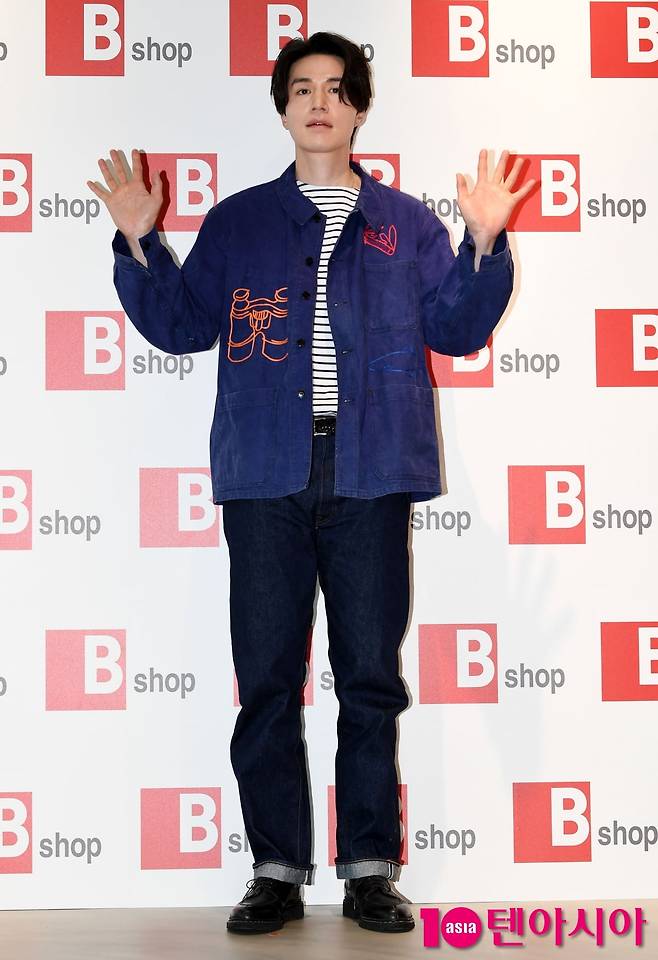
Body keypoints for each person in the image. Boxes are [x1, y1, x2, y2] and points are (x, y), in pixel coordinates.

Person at [87, 30, 534, 937]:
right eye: (302, 89)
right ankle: (275, 871)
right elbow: (184, 326)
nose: (319, 102)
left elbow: (455, 329)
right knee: (265, 680)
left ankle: (370, 871)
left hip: (372, 471)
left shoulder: (407, 224)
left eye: (336, 88)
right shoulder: (240, 222)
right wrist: (140, 241)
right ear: (284, 109)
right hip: (265, 474)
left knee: (368, 677)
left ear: (360, 108)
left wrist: (484, 241)